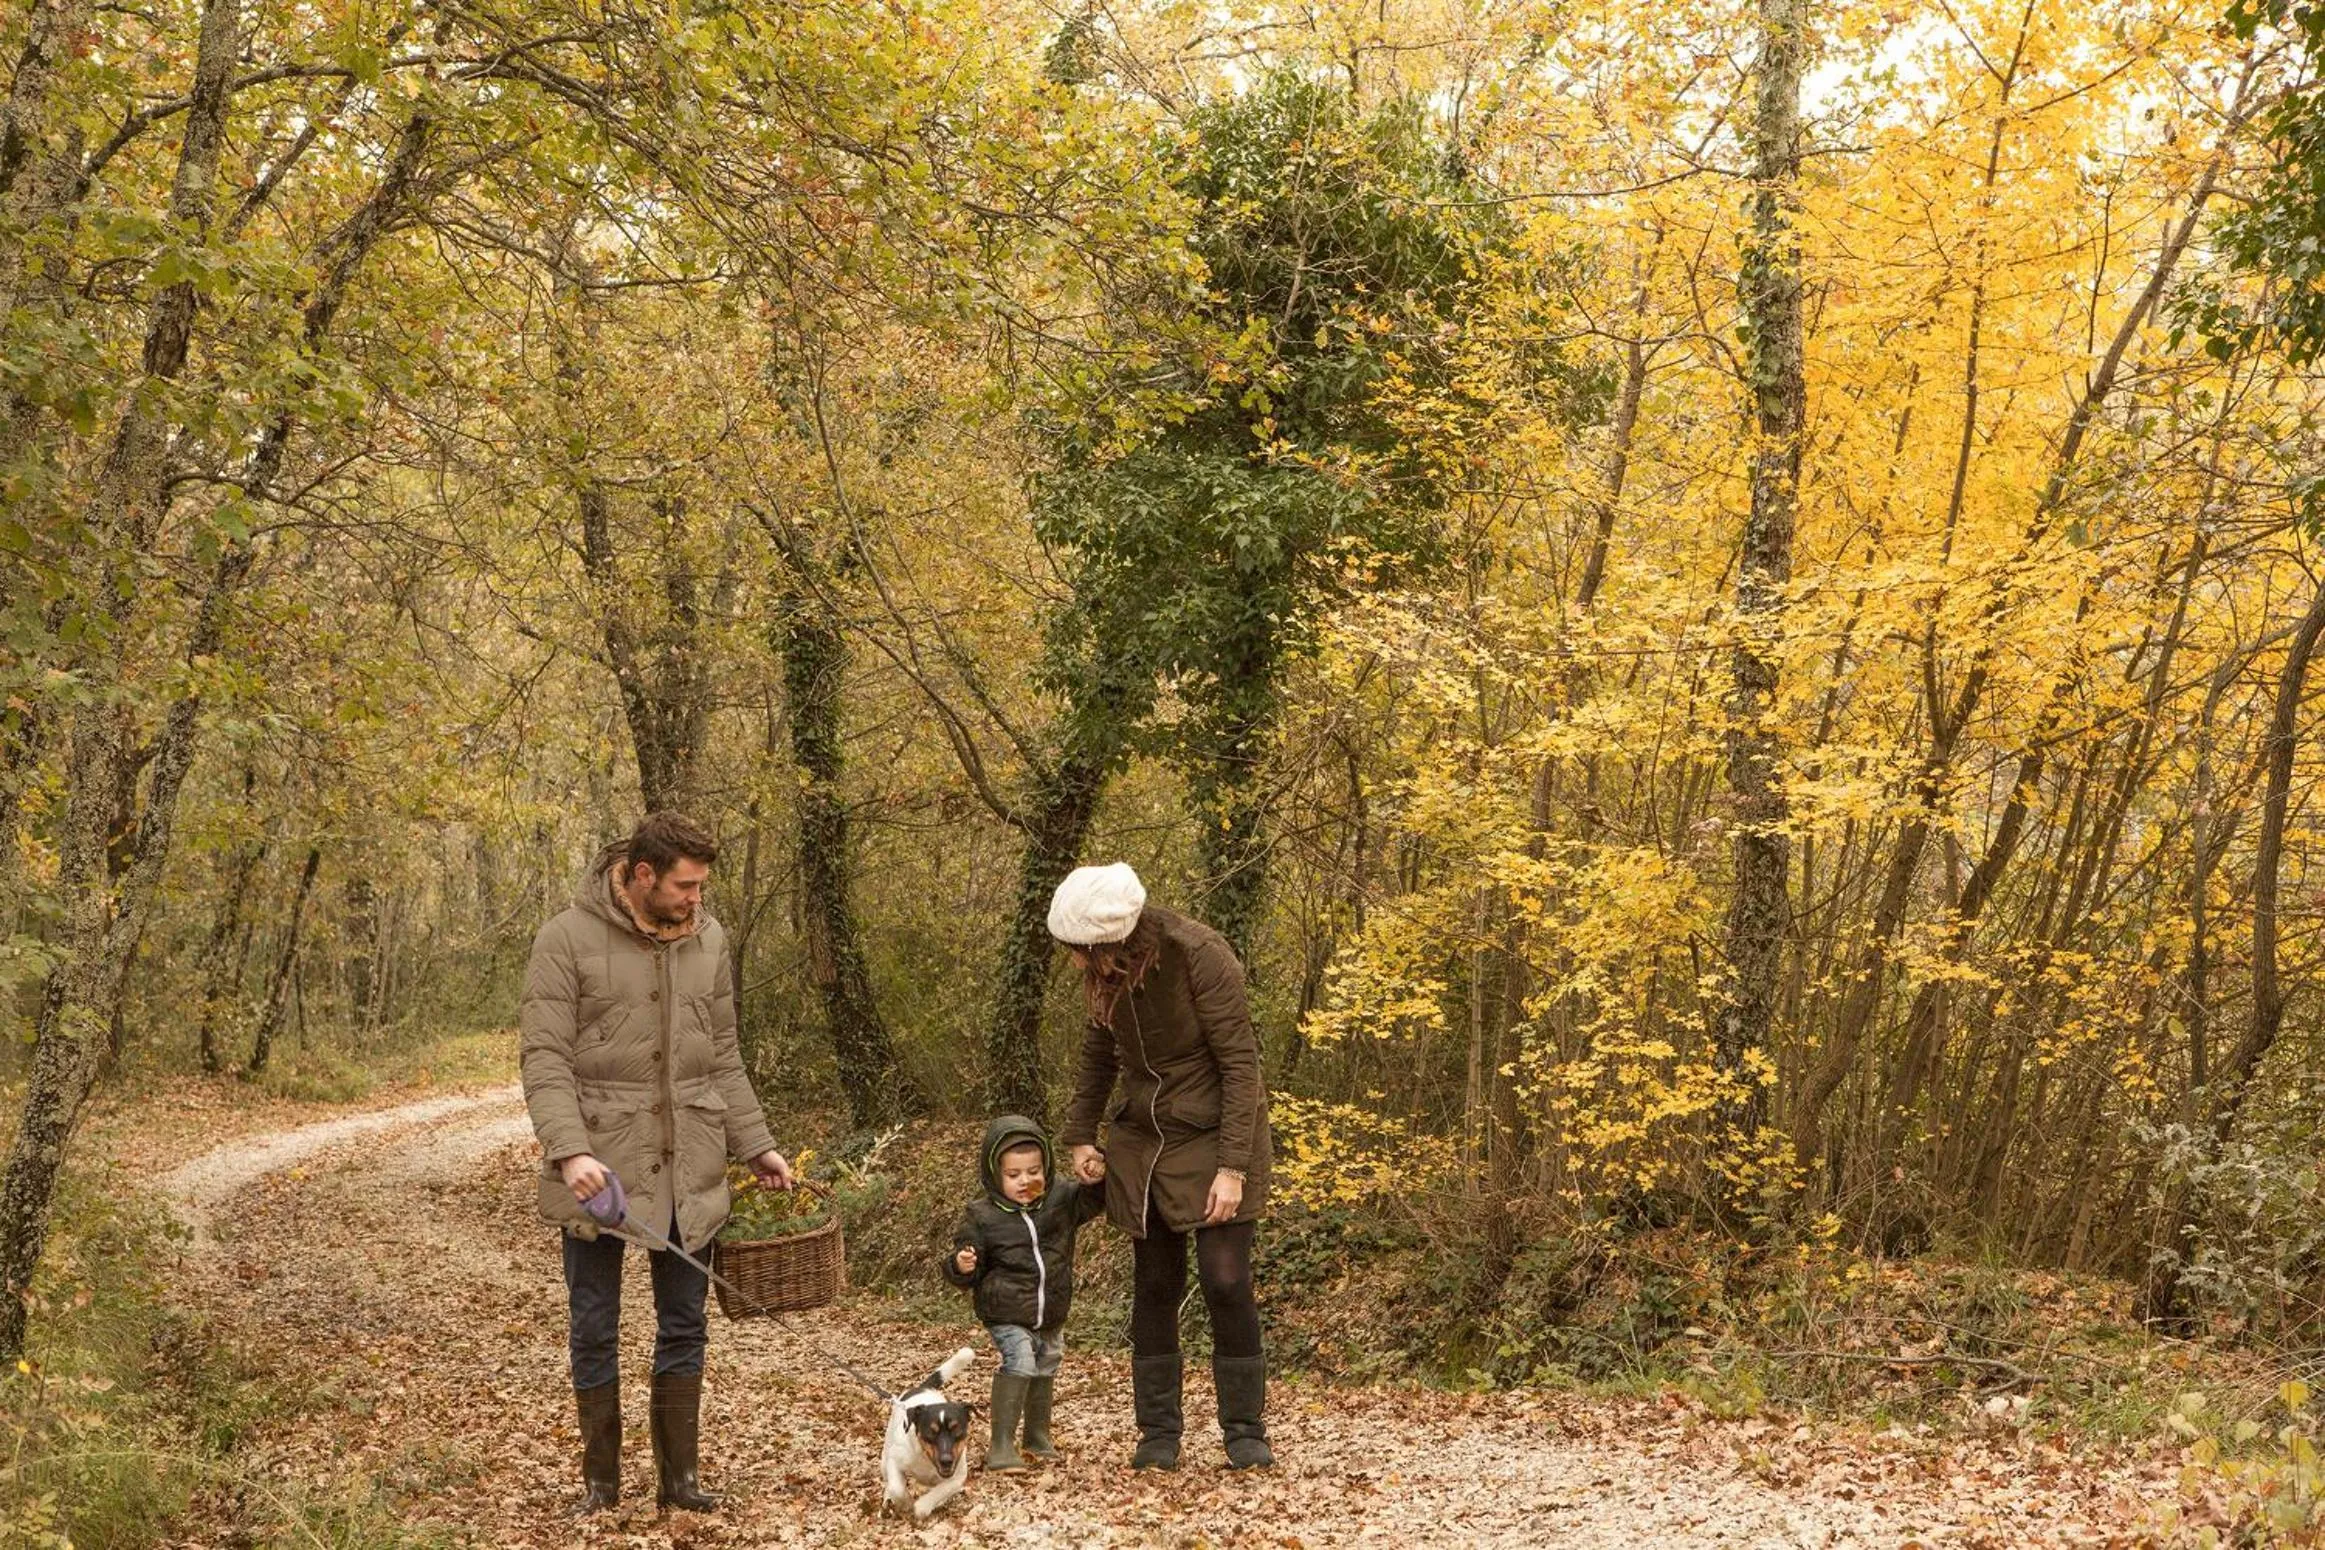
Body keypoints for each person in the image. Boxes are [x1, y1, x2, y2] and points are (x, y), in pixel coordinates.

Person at [520, 812, 795, 1516]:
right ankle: (601, 1483)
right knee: (594, 1326)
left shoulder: (711, 941)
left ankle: (680, 1480)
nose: (696, 898)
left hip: (690, 1168)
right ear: (642, 875)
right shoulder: (564, 939)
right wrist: (569, 1151)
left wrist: (756, 1142)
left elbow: (723, 1056)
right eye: (684, 886)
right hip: (599, 1170)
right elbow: (545, 1059)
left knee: (685, 1324)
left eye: (701, 886)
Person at [1051, 862, 1276, 1471]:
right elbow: (1099, 1053)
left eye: (1079, 950)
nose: (1074, 961)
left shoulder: (1200, 953)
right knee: (1155, 1283)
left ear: (1109, 939)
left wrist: (1233, 1168)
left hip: (1217, 1134)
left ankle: (1245, 1432)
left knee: (1226, 1280)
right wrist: (1080, 1136)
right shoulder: (1106, 972)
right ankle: (1158, 1433)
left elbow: (1241, 1065)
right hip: (1144, 1140)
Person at [942, 1116, 1107, 1470]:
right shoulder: (982, 1216)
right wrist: (961, 1265)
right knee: (1020, 1361)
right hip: (1006, 1312)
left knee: (1047, 1362)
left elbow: (1094, 1200)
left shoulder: (1061, 1200)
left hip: (1051, 1310)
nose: (1025, 1181)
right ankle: (1001, 1445)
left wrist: (1097, 1176)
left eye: (1033, 1172)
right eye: (1014, 1175)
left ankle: (1037, 1437)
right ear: (995, 1175)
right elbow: (964, 1265)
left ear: (1046, 1168)